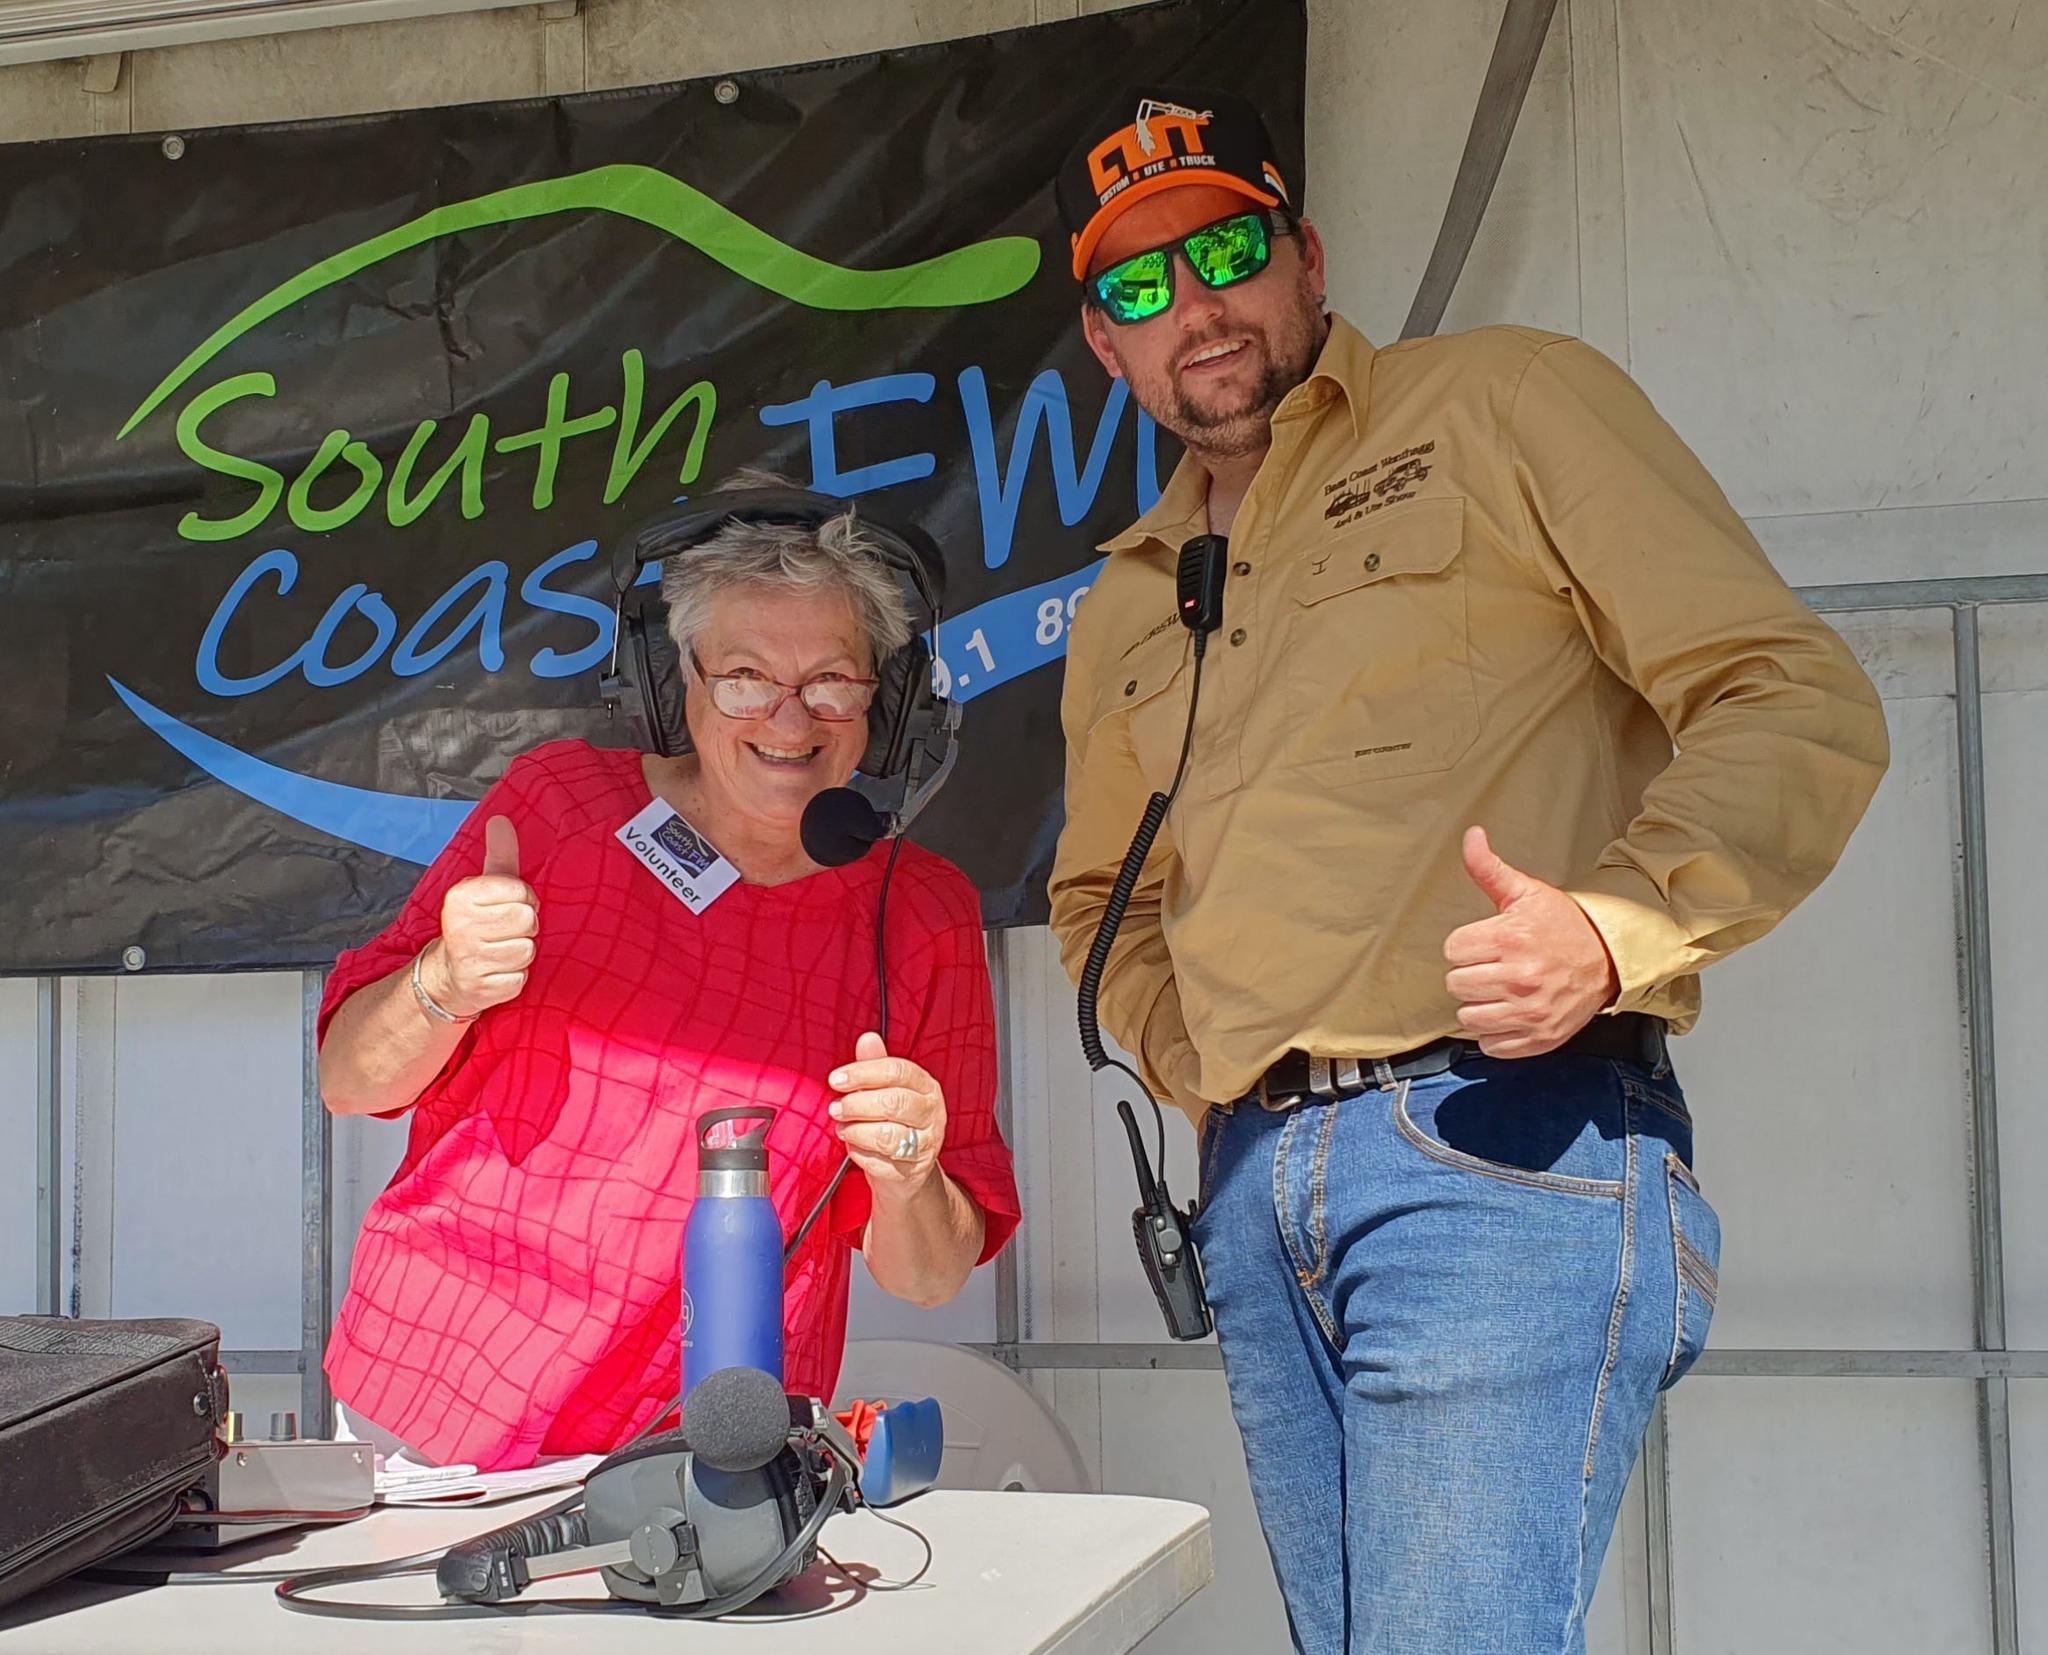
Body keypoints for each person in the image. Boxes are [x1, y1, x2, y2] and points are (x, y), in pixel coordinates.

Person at [1046, 89, 1889, 1653]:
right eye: (1139, 289)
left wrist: (1612, 927)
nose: (1195, 309)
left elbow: (1793, 694)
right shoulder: (1122, 602)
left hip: (1498, 1141)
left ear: (1302, 257)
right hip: (1254, 1186)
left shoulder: (1502, 401)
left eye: (1224, 250)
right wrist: (1206, 1060)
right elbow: (1101, 903)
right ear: (1106, 344)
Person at [316, 480, 1018, 1472]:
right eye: (742, 675)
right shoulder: (552, 805)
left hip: (707, 1455)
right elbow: (349, 1079)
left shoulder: (921, 911)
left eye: (830, 680)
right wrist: (443, 981)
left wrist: (908, 1176)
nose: (787, 716)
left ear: (887, 702)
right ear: (673, 682)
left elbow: (930, 1273)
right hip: (434, 1416)